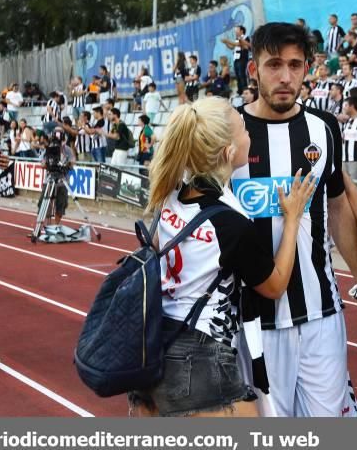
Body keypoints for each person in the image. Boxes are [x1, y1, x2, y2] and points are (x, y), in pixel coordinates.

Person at [127, 98, 316, 418]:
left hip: (154, 341)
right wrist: (293, 219)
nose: (250, 135)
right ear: (229, 152)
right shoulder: (230, 224)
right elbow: (275, 285)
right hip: (199, 354)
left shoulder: (171, 196)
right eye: (244, 130)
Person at [230, 22, 357, 417]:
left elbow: (338, 206)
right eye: (274, 64)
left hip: (320, 315)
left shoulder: (323, 129)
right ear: (253, 69)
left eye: (295, 64)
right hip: (253, 323)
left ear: (309, 68)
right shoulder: (230, 132)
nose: (285, 76)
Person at [38, 127, 75, 228]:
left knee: (61, 205)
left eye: (59, 133)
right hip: (49, 180)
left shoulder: (67, 149)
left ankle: (56, 226)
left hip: (62, 180)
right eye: (55, 133)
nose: (57, 136)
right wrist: (48, 164)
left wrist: (65, 164)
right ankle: (39, 228)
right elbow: (43, 164)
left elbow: (72, 163)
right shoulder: (49, 148)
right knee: (43, 204)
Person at [222, 25, 250, 96]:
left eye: (237, 30)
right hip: (236, 58)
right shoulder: (236, 38)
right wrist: (226, 43)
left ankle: (244, 89)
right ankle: (240, 90)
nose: (235, 31)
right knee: (237, 75)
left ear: (241, 31)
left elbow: (239, 44)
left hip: (242, 58)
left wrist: (227, 41)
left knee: (242, 75)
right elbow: (232, 47)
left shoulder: (245, 37)